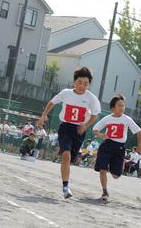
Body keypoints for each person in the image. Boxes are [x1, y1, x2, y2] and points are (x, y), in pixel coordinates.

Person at [38, 67, 101, 199]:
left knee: (71, 159)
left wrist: (86, 125)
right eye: (79, 82)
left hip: (79, 130)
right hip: (65, 127)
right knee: (65, 155)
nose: (82, 85)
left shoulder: (91, 98)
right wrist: (44, 115)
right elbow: (52, 102)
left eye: (85, 83)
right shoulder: (66, 93)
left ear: (89, 84)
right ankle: (66, 186)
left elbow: (95, 115)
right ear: (74, 82)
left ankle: (65, 178)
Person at [93, 94, 141, 201]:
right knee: (102, 169)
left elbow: (139, 131)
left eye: (123, 106)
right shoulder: (107, 118)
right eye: (119, 105)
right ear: (113, 108)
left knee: (116, 175)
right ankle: (105, 191)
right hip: (107, 145)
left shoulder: (127, 119)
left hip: (119, 148)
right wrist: (101, 135)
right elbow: (95, 129)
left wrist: (139, 146)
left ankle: (114, 166)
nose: (122, 108)